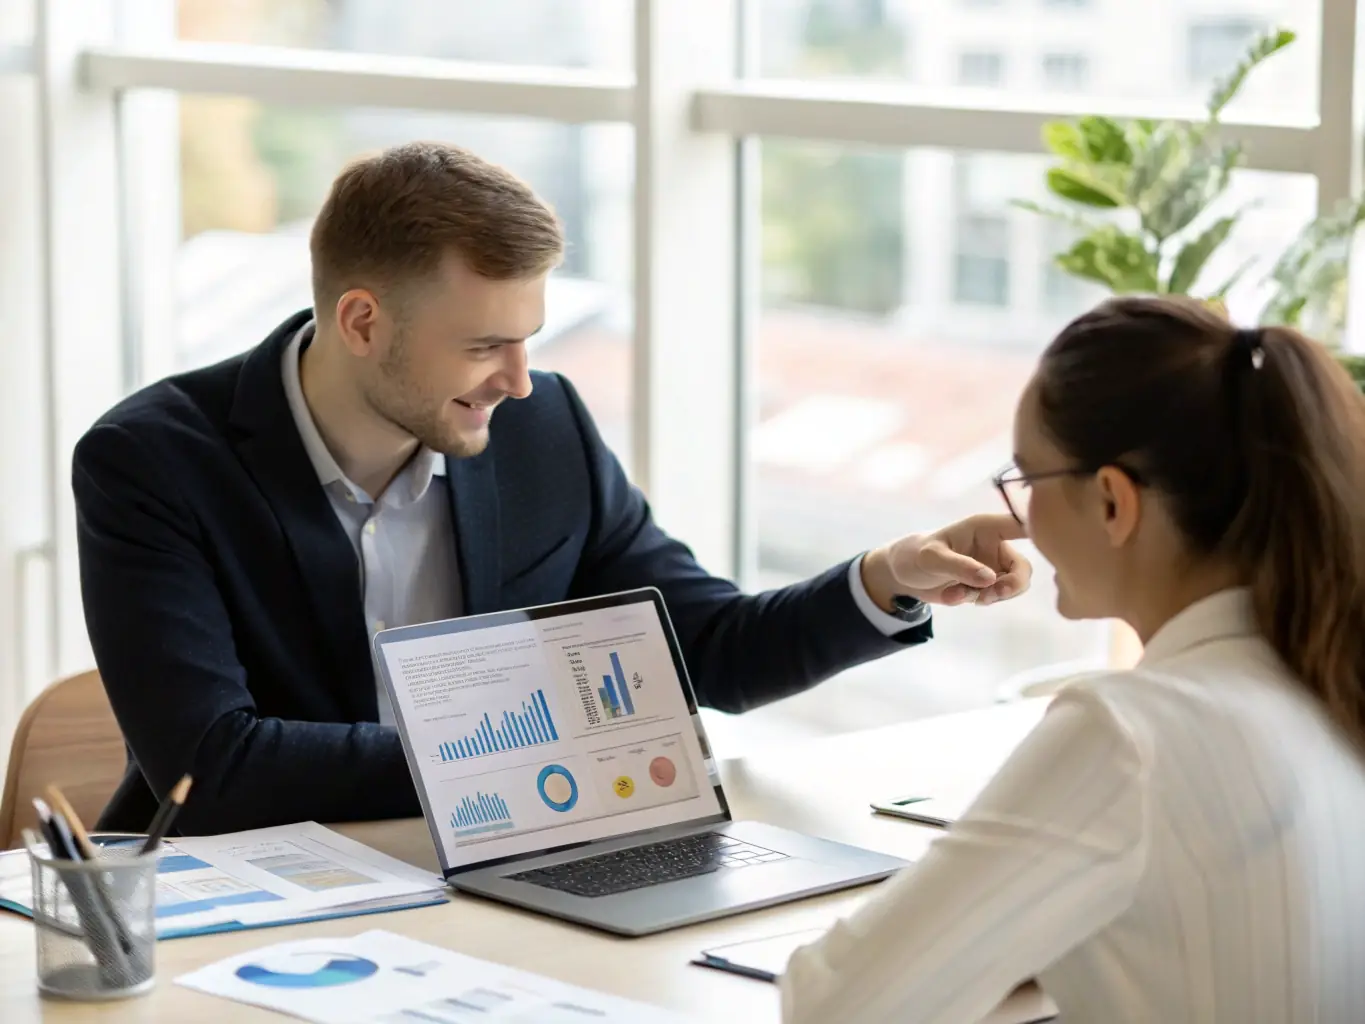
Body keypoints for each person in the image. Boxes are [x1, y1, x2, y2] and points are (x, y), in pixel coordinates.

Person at [73, 141, 1031, 836]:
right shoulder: (153, 463)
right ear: (362, 320)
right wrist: (543, 759)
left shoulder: (539, 426)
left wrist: (885, 577)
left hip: (490, 872)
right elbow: (213, 766)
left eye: (530, 337)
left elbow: (702, 649)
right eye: (486, 344)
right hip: (245, 895)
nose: (520, 379)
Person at [779, 295, 1365, 1024]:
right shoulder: (1324, 679)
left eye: (1026, 479)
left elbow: (839, 1005)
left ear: (1114, 502)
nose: (1017, 519)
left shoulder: (1129, 733)